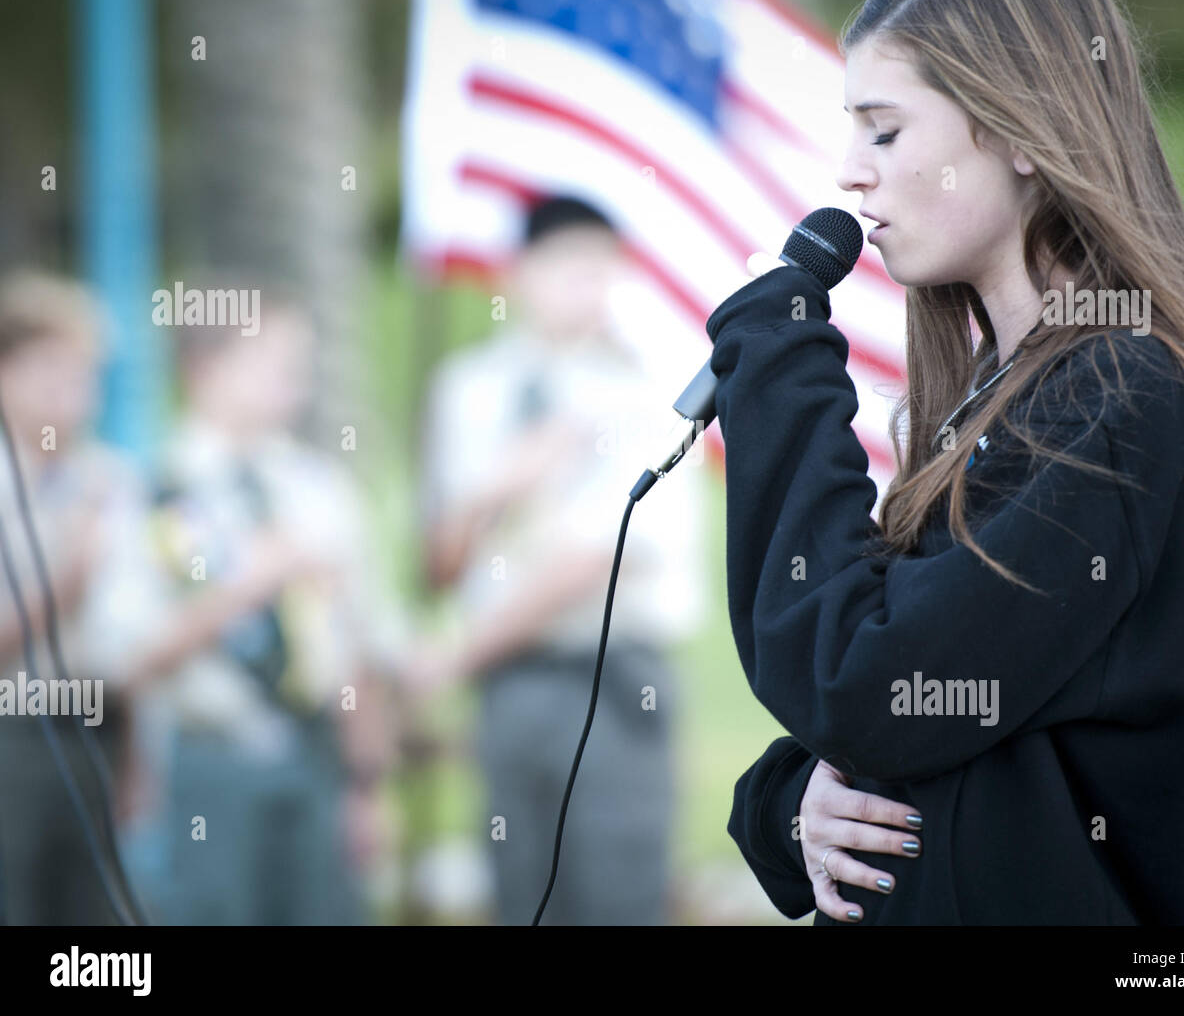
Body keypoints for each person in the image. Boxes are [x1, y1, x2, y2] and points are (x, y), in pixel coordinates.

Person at [719, 0, 1184, 926]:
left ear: (1021, 128)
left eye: (887, 129)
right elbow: (951, 698)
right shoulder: (1015, 396)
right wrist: (789, 807)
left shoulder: (1119, 397)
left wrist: (779, 378)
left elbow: (877, 686)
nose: (851, 170)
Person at [419, 195, 707, 924]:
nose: (585, 285)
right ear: (519, 272)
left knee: (616, 896)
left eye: (600, 268)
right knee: (521, 895)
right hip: (509, 685)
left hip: (611, 679)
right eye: (565, 265)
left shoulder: (651, 392)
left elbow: (595, 556)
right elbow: (439, 563)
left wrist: (451, 659)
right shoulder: (469, 389)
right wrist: (497, 486)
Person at [121, 296, 406, 924]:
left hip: (315, 760)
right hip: (208, 765)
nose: (294, 381)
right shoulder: (152, 490)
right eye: (271, 361)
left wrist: (366, 786)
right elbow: (130, 657)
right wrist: (248, 586)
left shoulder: (317, 487)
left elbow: (358, 644)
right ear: (205, 368)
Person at [0, 270, 152, 925]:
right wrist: (67, 579)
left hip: (97, 733)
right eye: (56, 371)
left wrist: (140, 756)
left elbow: (134, 638)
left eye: (86, 374)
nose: (77, 394)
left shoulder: (110, 480)